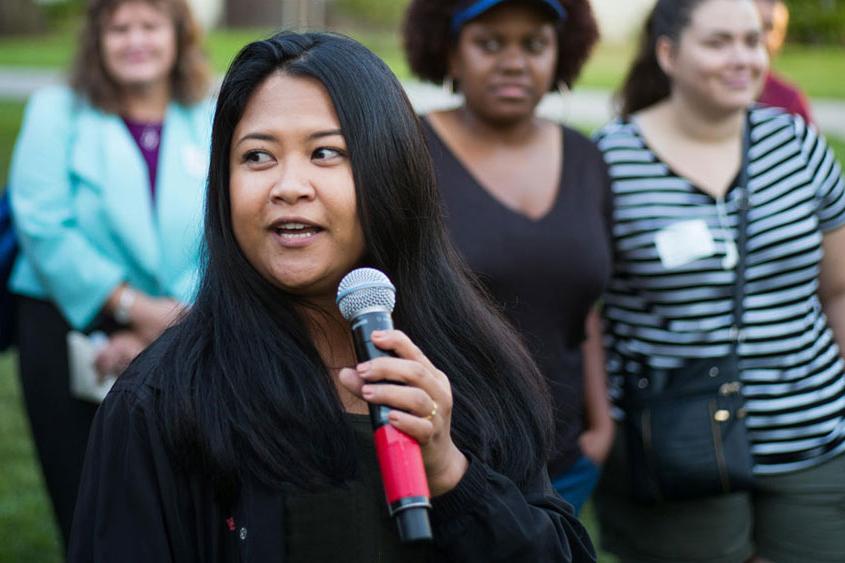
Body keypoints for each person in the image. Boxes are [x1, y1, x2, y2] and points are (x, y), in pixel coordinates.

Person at [66, 31, 597, 562]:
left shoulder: (474, 369)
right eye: (257, 156)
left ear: (390, 172)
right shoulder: (161, 403)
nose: (288, 185)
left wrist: (453, 475)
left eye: (325, 153)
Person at [594, 0, 845, 561]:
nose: (743, 59)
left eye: (752, 41)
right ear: (668, 53)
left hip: (812, 431)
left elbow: (839, 289)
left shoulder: (799, 146)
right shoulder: (612, 159)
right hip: (675, 439)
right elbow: (587, 310)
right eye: (719, 42)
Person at [6, 0, 212, 546]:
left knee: (185, 509)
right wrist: (132, 309)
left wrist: (169, 322)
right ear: (97, 39)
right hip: (67, 327)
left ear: (178, 36)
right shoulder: (57, 109)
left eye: (150, 25)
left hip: (188, 327)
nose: (135, 40)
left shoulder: (209, 115)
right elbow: (42, 221)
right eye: (120, 28)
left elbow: (228, 225)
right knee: (86, 508)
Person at [401, 0, 614, 514]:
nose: (514, 62)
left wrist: (602, 425)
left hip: (565, 462)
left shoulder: (587, 160)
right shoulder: (408, 152)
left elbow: (582, 310)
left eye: (534, 44)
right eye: (489, 43)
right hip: (448, 460)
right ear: (450, 54)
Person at [754, 0, 813, 122]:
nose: (756, 35)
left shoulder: (789, 101)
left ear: (781, 38)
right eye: (753, 23)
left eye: (768, 27)